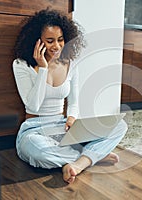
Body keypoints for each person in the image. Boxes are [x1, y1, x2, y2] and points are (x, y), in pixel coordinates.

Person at [12, 9, 127, 184]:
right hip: (34, 129)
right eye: (49, 41)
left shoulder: (71, 64)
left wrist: (72, 118)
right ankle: (92, 156)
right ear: (36, 41)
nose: (57, 46)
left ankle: (79, 163)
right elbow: (33, 106)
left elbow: (73, 102)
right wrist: (43, 68)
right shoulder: (21, 65)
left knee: (119, 125)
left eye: (60, 40)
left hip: (61, 127)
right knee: (38, 152)